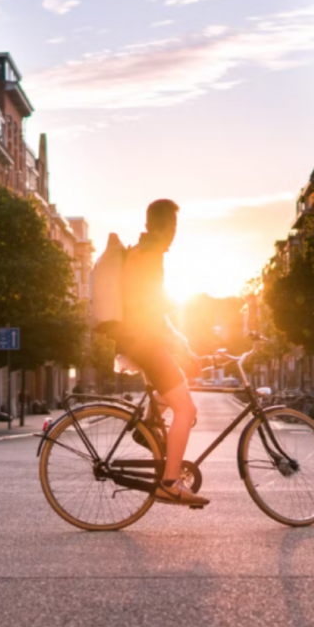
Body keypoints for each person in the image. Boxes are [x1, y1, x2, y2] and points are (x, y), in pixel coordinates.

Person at [117, 199, 208, 508]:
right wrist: (178, 346)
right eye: (170, 227)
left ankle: (147, 428)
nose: (173, 233)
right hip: (143, 342)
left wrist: (180, 344)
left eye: (174, 227)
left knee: (176, 389)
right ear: (156, 227)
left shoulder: (141, 252)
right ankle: (169, 483)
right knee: (187, 409)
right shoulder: (149, 256)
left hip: (137, 340)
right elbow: (150, 310)